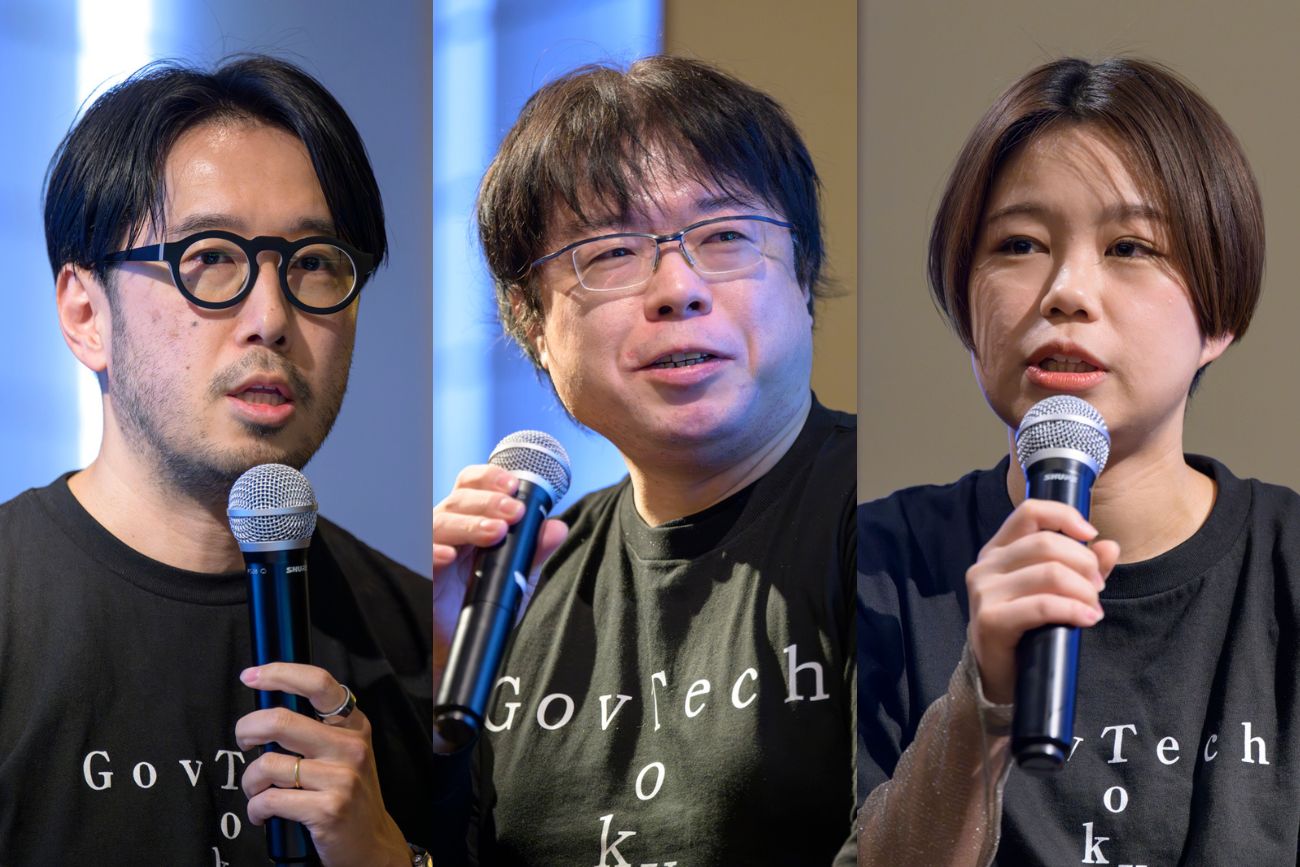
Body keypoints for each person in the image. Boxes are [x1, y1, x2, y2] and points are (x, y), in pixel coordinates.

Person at [857, 57, 1298, 865]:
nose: (1066, 291)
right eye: (1020, 244)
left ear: (1220, 313)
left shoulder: (1287, 566)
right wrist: (984, 701)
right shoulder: (868, 569)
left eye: (1130, 246)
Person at [0, 56, 434, 866]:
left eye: (314, 262)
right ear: (86, 312)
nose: (271, 316)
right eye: (210, 256)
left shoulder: (424, 638)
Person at [432, 56, 856, 865]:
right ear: (531, 322)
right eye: (612, 252)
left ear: (803, 277)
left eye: (724, 236)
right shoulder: (519, 577)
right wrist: (432, 691)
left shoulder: (889, 518)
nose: (677, 288)